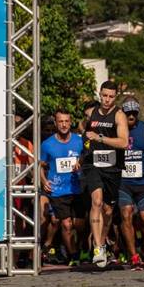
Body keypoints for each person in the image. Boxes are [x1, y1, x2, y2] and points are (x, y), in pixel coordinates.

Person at [81, 81, 129, 267]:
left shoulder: (118, 115)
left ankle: (102, 240)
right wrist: (83, 152)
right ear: (99, 94)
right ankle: (98, 246)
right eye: (104, 95)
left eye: (110, 96)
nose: (107, 100)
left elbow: (124, 142)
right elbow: (85, 134)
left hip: (112, 168)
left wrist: (100, 138)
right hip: (93, 165)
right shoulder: (91, 113)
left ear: (115, 97)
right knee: (97, 201)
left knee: (108, 210)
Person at [39, 109, 84, 266]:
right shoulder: (47, 145)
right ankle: (73, 256)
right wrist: (44, 180)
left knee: (80, 225)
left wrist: (82, 166)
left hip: (77, 188)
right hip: (58, 190)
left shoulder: (79, 141)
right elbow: (40, 165)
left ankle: (78, 249)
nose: (64, 125)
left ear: (70, 122)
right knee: (66, 224)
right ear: (56, 123)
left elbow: (87, 160)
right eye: (60, 121)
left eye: (66, 121)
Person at [118, 98, 144, 271]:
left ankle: (140, 233)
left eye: (134, 113)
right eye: (128, 113)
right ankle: (134, 255)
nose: (131, 116)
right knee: (126, 214)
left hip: (143, 182)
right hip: (123, 182)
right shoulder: (116, 130)